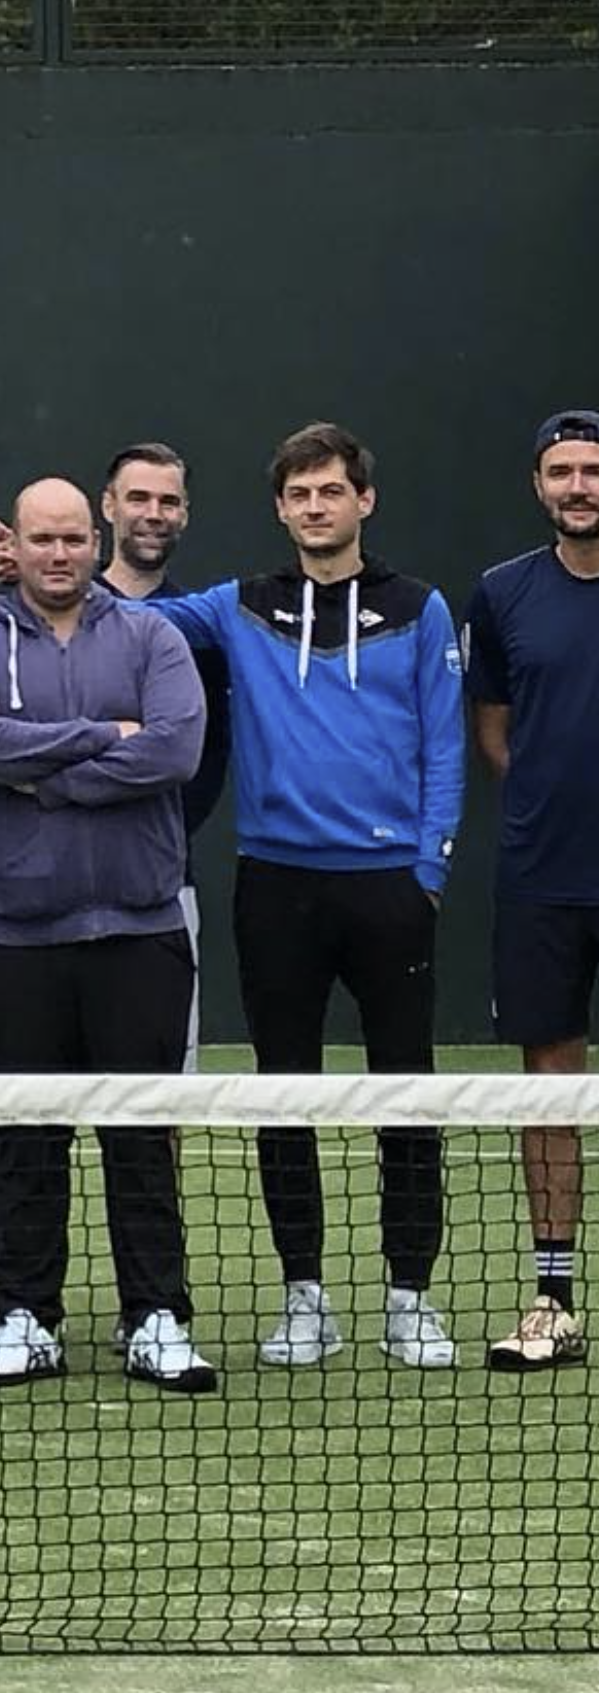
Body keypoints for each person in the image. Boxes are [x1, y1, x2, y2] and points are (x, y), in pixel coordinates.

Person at [139, 422, 462, 1369]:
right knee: (286, 1094)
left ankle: (408, 1296)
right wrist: (46, 572)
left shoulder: (421, 608)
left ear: (363, 500)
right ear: (279, 509)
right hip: (274, 885)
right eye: (298, 494)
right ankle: (303, 1297)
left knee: (406, 1096)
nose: (315, 507)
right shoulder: (239, 605)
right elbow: (131, 616)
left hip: (388, 887)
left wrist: (429, 872)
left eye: (331, 491)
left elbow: (444, 747)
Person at [0, 477, 212, 1392]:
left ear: (96, 541)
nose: (57, 554)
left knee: (141, 1136)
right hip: (11, 939)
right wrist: (98, 737)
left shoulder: (152, 635)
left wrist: (39, 766)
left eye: (72, 539)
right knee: (23, 1137)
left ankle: (155, 1315)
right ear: (16, 546)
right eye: (41, 540)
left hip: (139, 932)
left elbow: (172, 750)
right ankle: (22, 1314)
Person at [0, 443, 232, 1071]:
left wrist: (59, 790)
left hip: (156, 890)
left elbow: (188, 756)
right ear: (107, 513)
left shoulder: (195, 630)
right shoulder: (13, 613)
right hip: (30, 906)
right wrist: (106, 743)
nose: (154, 514)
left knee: (156, 1108)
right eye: (139, 498)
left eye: (168, 501)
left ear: (186, 513)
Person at [464, 407, 599, 1371]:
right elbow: (495, 731)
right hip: (543, 877)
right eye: (563, 471)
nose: (579, 486)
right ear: (539, 487)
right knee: (548, 1080)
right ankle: (551, 1297)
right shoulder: (502, 593)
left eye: (592, 469)